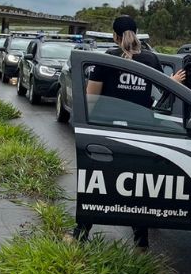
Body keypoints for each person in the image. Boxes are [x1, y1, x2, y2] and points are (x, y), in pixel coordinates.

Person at [75, 16, 185, 250]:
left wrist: (87, 127)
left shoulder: (106, 59)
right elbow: (165, 91)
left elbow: (91, 97)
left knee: (98, 184)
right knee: (137, 186)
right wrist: (173, 81)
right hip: (140, 133)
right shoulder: (150, 59)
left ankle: (81, 233)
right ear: (137, 32)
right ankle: (141, 241)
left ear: (114, 36)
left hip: (109, 132)